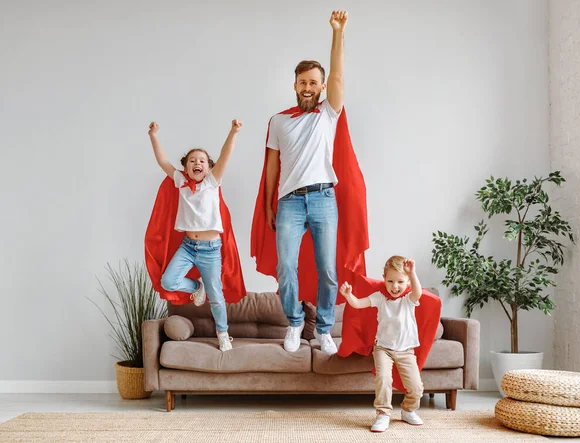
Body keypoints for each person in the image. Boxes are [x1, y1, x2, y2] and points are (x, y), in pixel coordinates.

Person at [262, 10, 348, 355]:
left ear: (322, 87)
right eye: (303, 82)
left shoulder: (328, 114)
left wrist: (337, 33)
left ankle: (324, 328)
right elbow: (271, 167)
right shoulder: (279, 122)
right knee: (287, 266)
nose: (308, 88)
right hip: (290, 202)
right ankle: (295, 322)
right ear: (295, 85)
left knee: (328, 268)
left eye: (314, 82)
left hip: (324, 197)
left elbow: (339, 76)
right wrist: (270, 203)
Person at [148, 119, 242, 352]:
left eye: (201, 161)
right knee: (169, 281)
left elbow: (225, 155)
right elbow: (163, 162)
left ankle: (223, 333)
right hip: (188, 247)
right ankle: (196, 286)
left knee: (216, 296)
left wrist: (233, 132)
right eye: (192, 161)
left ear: (209, 168)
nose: (196, 163)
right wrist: (153, 136)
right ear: (186, 167)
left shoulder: (212, 182)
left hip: (211, 249)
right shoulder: (180, 182)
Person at [339, 256, 425, 432]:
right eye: (390, 281)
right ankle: (383, 414)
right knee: (384, 379)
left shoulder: (409, 299)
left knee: (416, 387)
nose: (395, 286)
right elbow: (358, 304)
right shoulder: (379, 297)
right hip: (383, 348)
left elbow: (418, 292)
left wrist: (413, 273)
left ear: (407, 281)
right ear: (384, 279)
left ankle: (408, 410)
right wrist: (349, 295)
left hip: (406, 350)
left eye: (400, 281)